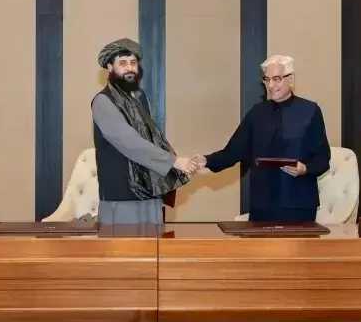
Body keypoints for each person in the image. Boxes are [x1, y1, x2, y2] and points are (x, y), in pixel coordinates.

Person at [193, 55, 331, 222]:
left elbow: (323, 158)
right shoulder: (257, 113)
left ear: (291, 79)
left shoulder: (310, 111)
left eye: (277, 79)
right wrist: (206, 160)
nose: (270, 85)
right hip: (263, 204)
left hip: (299, 203)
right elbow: (233, 152)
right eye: (267, 79)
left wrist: (305, 169)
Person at [92, 38, 196, 224]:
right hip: (121, 199)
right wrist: (174, 161)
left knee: (154, 242)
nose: (129, 68)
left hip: (149, 192)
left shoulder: (139, 99)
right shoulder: (103, 101)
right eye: (123, 63)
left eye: (133, 63)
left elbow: (152, 139)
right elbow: (129, 142)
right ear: (109, 67)